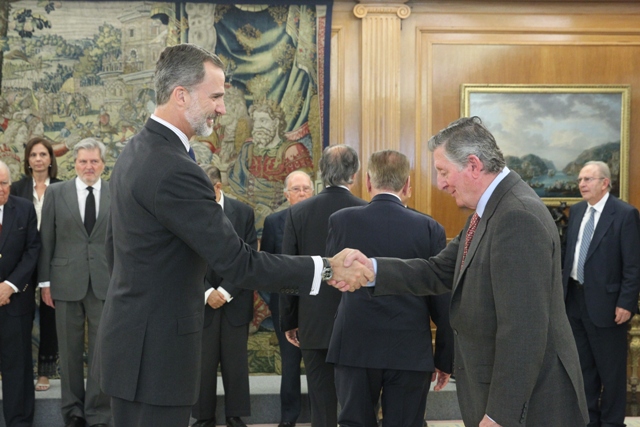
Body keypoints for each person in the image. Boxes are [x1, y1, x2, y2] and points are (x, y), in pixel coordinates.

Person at [93, 43, 372, 427]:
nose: (223, 108)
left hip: (134, 345)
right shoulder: (173, 167)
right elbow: (239, 262)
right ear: (181, 95)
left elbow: (115, 249)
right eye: (217, 96)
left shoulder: (136, 151)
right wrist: (326, 268)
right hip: (156, 356)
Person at [331, 117, 589, 427]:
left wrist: (499, 415)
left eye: (442, 171)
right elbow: (438, 270)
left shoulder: (516, 216)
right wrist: (371, 268)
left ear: (473, 165)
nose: (440, 183)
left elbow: (524, 328)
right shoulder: (490, 210)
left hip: (530, 406)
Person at [325, 150, 453, 427]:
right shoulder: (430, 228)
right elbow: (442, 299)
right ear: (408, 185)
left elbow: (335, 283)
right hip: (409, 348)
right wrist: (444, 357)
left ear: (369, 183)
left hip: (354, 344)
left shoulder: (341, 220)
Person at [280, 144, 367, 427]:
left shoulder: (298, 213)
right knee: (360, 404)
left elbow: (289, 273)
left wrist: (290, 320)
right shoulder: (366, 211)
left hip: (313, 322)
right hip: (358, 321)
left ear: (321, 174)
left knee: (322, 405)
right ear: (353, 175)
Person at [38, 138, 112, 427]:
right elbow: (47, 240)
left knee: (101, 352)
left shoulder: (115, 192)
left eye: (94, 161)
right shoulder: (57, 193)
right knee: (67, 352)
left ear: (103, 164)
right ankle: (73, 413)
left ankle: (98, 413)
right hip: (65, 283)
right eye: (83, 161)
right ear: (75, 163)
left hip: (105, 283)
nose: (88, 166)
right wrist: (45, 283)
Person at [562, 161, 640, 427]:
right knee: (584, 369)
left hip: (609, 306)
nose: (581, 184)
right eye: (580, 179)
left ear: (605, 183)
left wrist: (626, 303)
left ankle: (612, 423)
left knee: (612, 372)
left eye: (588, 179)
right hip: (574, 301)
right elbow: (568, 257)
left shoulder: (625, 214)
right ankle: (588, 421)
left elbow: (633, 264)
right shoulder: (576, 211)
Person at [191, 165, 258, 427]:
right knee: (202, 365)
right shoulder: (190, 214)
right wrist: (207, 291)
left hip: (235, 300)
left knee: (236, 364)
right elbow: (184, 259)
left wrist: (226, 291)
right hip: (202, 301)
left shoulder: (243, 213)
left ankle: (235, 415)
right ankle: (204, 416)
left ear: (218, 187)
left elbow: (249, 256)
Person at [261, 170, 315, 427]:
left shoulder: (323, 220)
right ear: (286, 194)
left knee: (318, 368)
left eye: (306, 188)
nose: (302, 193)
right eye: (296, 189)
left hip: (317, 308)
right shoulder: (274, 222)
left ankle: (321, 417)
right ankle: (288, 419)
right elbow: (266, 267)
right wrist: (274, 301)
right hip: (285, 308)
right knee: (290, 366)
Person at [10, 136, 61, 393]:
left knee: (51, 316)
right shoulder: (17, 188)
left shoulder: (63, 187)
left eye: (43, 154)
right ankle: (21, 371)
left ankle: (45, 372)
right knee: (23, 315)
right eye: (33, 155)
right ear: (27, 160)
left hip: (54, 261)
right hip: (23, 261)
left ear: (50, 159)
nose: (38, 159)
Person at [228, 99, 314, 231]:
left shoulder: (292, 151)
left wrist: (275, 213)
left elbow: (305, 194)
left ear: (276, 123)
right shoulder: (248, 149)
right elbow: (235, 186)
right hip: (249, 224)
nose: (257, 126)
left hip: (281, 224)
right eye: (255, 121)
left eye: (263, 120)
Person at [0, 160, 41, 427]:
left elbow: (32, 250)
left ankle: (19, 422)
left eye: (3, 183)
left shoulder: (24, 209)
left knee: (17, 367)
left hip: (15, 302)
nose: (0, 189)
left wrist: (9, 285)